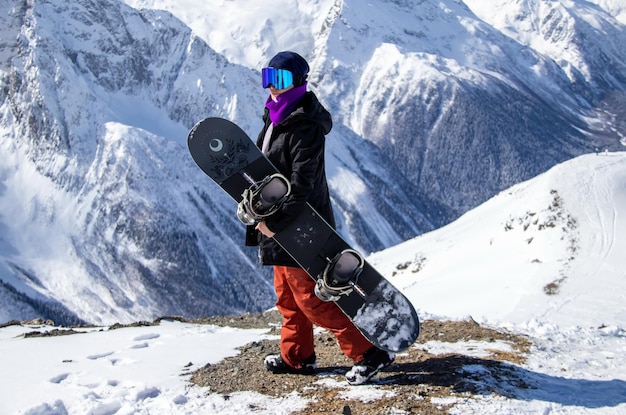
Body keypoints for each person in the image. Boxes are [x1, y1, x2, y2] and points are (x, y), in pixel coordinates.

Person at [245, 51, 395, 385]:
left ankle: (370, 353)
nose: (272, 87)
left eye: (280, 80)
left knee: (312, 299)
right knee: (286, 297)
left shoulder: (304, 126)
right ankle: (297, 357)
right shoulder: (275, 117)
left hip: (302, 226)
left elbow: (302, 185)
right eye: (268, 77)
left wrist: (276, 222)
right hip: (282, 226)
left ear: (299, 82)